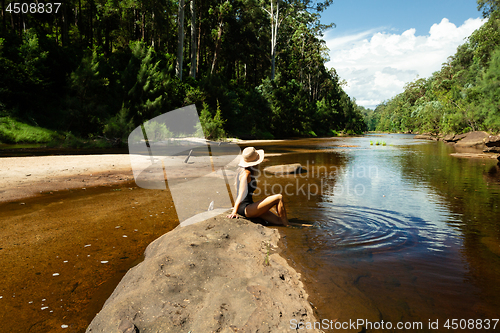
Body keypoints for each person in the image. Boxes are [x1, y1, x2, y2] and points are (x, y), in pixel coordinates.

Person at [227, 147, 289, 226]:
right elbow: (241, 194)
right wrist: (234, 212)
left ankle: (286, 224)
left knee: (278, 221)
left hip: (249, 206)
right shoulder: (246, 174)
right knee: (279, 197)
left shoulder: (243, 170)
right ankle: (287, 225)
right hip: (246, 209)